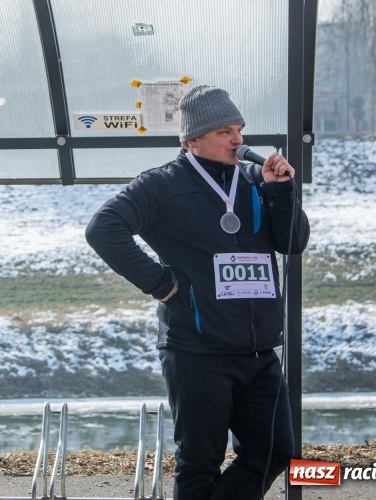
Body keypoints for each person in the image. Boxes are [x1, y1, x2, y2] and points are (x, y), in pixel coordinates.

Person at [85, 85, 310, 500]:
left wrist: (281, 192)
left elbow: (293, 242)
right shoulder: (162, 185)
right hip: (198, 351)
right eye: (225, 132)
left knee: (275, 451)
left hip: (259, 352)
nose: (238, 140)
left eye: (239, 130)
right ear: (192, 140)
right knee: (200, 463)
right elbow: (103, 228)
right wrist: (161, 284)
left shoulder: (254, 180)